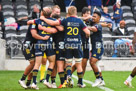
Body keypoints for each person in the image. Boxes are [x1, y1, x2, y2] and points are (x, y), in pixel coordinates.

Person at [40, 6, 90, 88]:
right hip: (77, 44)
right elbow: (87, 32)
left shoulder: (65, 20)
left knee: (68, 63)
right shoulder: (80, 21)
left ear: (68, 13)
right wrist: (86, 36)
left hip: (67, 44)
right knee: (78, 64)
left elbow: (53, 23)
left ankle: (68, 76)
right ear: (76, 12)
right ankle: (80, 82)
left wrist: (43, 18)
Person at [29, 7, 57, 89]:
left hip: (39, 43)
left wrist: (35, 21)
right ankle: (46, 80)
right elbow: (56, 29)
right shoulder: (53, 21)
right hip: (49, 44)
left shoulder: (38, 20)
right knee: (52, 62)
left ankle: (34, 83)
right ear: (51, 13)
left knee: (37, 64)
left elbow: (29, 22)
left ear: (42, 13)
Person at [18, 23, 49, 89]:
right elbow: (34, 34)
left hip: (34, 47)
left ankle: (28, 83)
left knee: (36, 65)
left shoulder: (43, 25)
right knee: (33, 64)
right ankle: (22, 79)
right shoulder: (34, 24)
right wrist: (43, 38)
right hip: (27, 46)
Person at [88, 11, 105, 87]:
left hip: (98, 47)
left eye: (95, 16)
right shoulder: (94, 24)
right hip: (94, 47)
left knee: (92, 62)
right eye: (93, 16)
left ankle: (98, 79)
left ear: (99, 18)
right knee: (95, 64)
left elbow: (94, 29)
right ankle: (101, 80)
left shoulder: (98, 25)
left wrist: (84, 26)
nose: (93, 18)